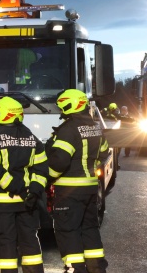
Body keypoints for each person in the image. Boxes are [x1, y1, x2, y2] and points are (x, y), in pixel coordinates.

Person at [0, 96, 48, 273]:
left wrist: (16, 188)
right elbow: (42, 170)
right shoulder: (33, 138)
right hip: (29, 202)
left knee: (6, 244)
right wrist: (33, 193)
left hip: (4, 203)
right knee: (30, 242)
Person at [48, 89, 109, 273]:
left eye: (61, 106)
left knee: (68, 231)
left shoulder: (68, 129)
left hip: (69, 190)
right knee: (89, 229)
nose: (60, 110)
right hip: (90, 188)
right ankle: (96, 268)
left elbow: (59, 162)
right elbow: (104, 153)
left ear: (68, 105)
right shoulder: (95, 126)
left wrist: (46, 177)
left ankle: (75, 269)